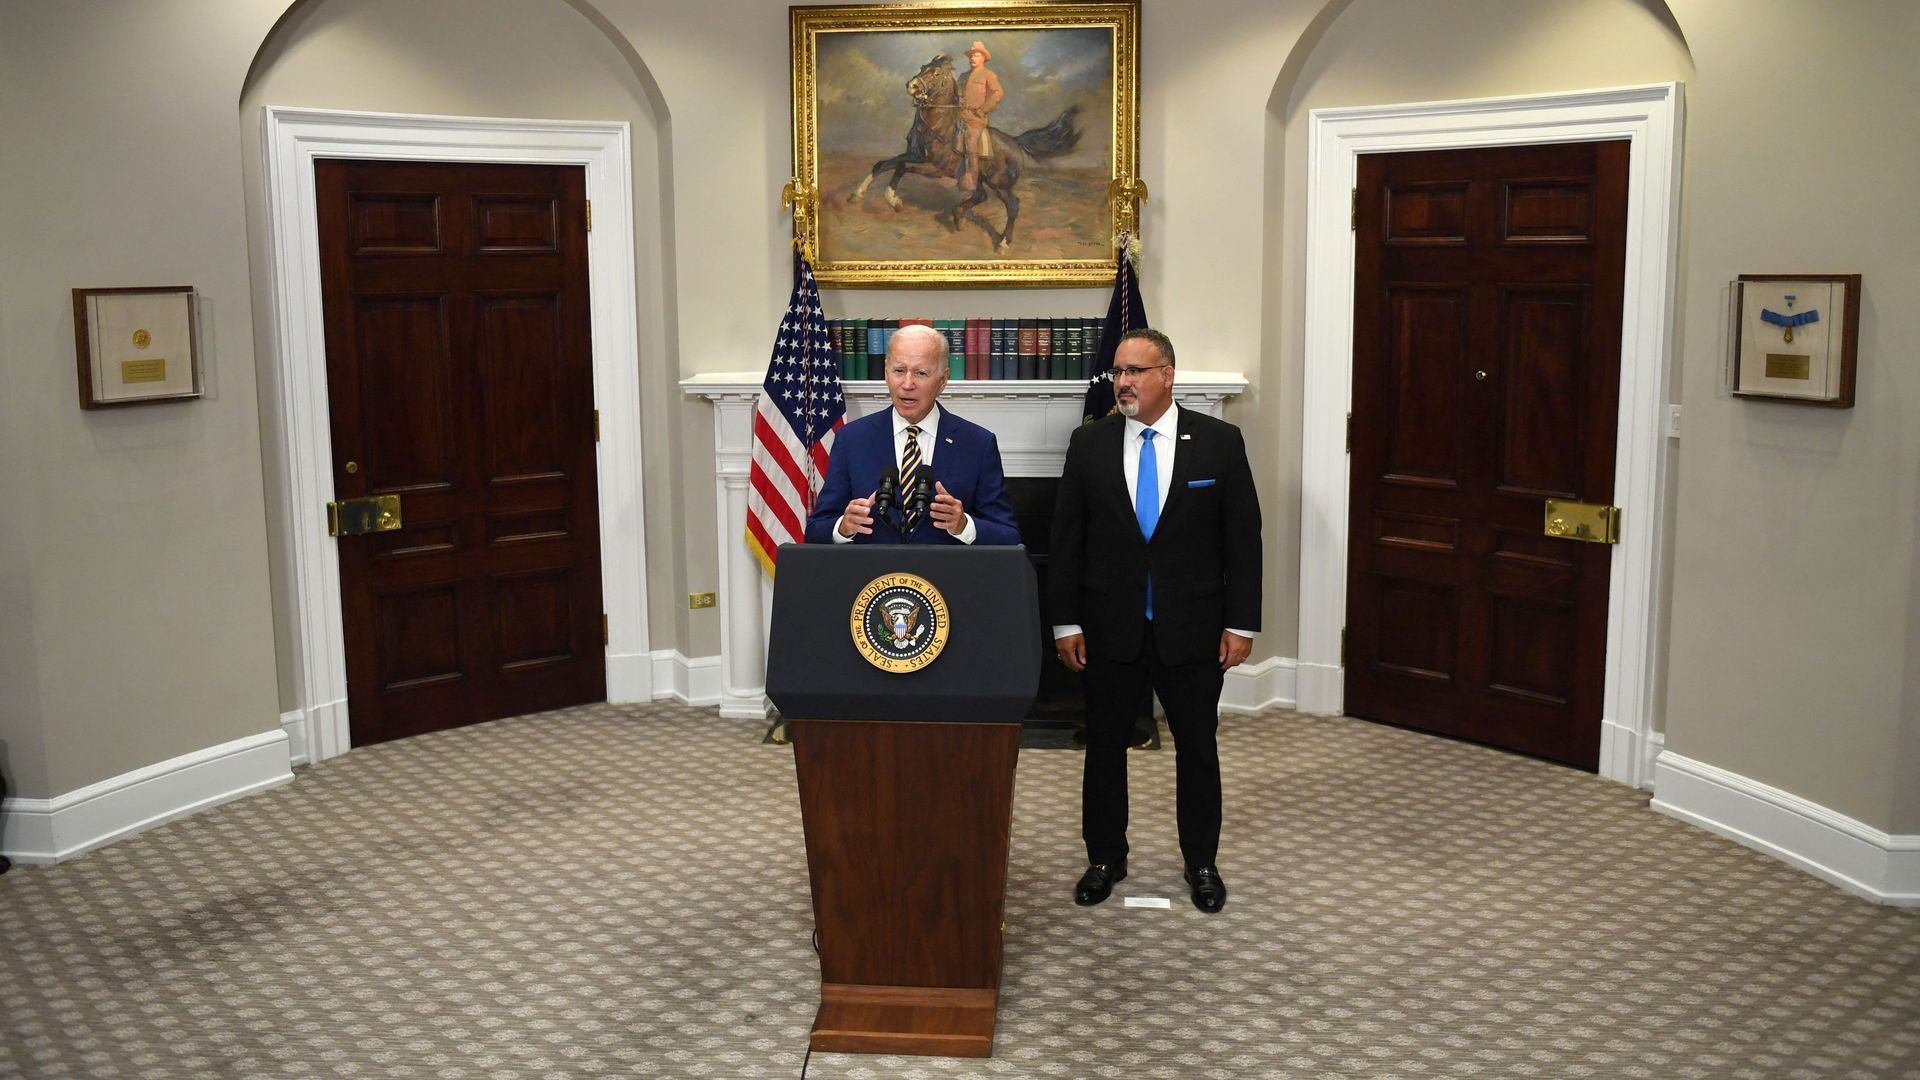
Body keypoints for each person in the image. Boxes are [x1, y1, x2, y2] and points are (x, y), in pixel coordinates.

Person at [1049, 328, 1262, 913]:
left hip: (1193, 629)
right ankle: (1104, 859)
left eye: (1135, 372)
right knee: (1104, 749)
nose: (1122, 382)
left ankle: (1202, 863)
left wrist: (1241, 624)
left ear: (1167, 375)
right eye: (1118, 372)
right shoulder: (1089, 443)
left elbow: (1243, 540)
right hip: (1108, 626)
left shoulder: (1218, 442)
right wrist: (1065, 623)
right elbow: (1067, 540)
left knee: (1197, 749)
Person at [805, 323, 1020, 546]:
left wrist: (965, 526)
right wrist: (843, 527)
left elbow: (1009, 536)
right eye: (899, 371)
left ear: (943, 380)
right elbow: (816, 530)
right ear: (886, 373)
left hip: (945, 569)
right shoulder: (851, 440)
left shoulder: (977, 444)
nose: (907, 384)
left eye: (921, 373)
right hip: (874, 569)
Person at [954, 40, 1003, 193]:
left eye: (976, 55)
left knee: (970, 140)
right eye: (971, 56)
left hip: (976, 118)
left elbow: (998, 93)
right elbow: (957, 95)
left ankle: (971, 179)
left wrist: (983, 110)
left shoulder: (988, 75)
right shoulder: (962, 76)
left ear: (983, 58)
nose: (972, 58)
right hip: (960, 115)